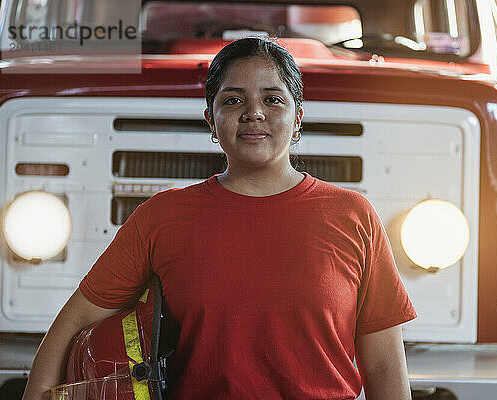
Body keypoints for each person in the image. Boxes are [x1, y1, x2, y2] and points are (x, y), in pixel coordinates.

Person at [22, 37, 416, 400]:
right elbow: (76, 321)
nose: (254, 113)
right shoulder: (162, 217)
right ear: (211, 120)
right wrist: (37, 394)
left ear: (298, 118)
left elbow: (382, 363)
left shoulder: (353, 216)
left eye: (273, 99)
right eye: (233, 100)